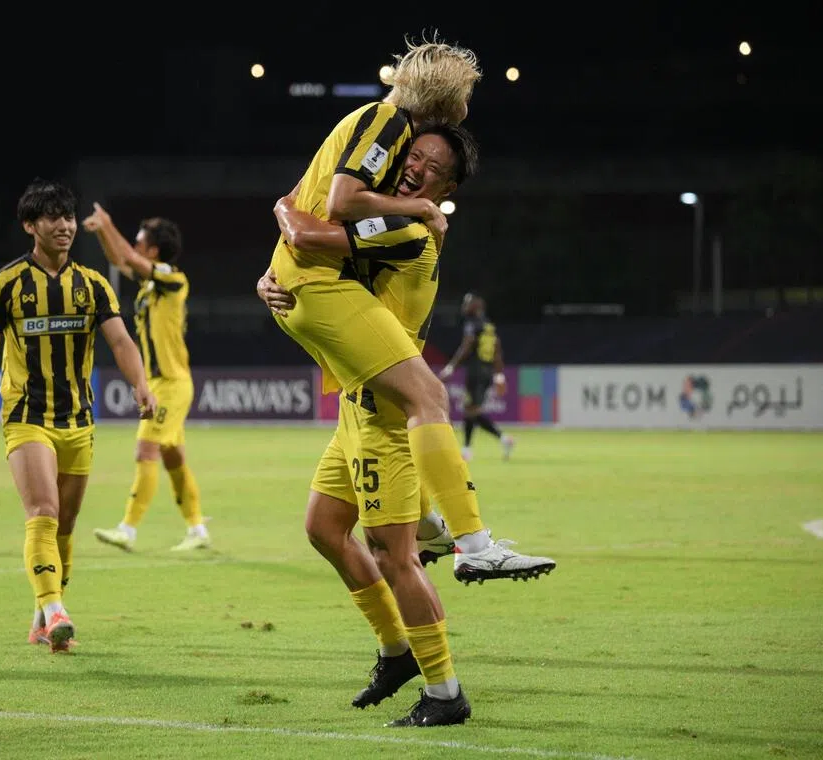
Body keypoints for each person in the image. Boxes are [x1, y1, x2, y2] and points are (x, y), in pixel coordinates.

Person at [268, 37, 548, 593]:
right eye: (465, 92)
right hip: (318, 283)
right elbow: (341, 204)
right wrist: (417, 206)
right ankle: (471, 547)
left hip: (307, 281)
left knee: (337, 518)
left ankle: (427, 542)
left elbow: (292, 202)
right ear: (444, 96)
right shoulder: (390, 123)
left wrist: (276, 263)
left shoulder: (373, 125)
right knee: (427, 399)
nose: (468, 104)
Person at [0, 178, 156, 654]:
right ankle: (55, 610)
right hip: (27, 418)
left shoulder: (92, 285)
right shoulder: (5, 285)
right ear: (30, 226)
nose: (64, 225)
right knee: (43, 513)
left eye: (68, 217)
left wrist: (141, 385)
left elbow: (122, 341)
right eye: (52, 218)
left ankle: (42, 616)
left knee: (64, 527)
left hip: (78, 421)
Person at [82, 205, 210, 552]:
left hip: (171, 382)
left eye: (140, 243)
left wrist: (108, 222)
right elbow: (120, 258)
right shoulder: (152, 283)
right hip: (161, 383)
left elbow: (127, 258)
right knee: (173, 459)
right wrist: (101, 232)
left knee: (146, 448)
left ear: (154, 251)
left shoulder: (173, 280)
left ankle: (129, 528)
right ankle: (197, 529)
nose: (135, 248)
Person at [438, 293, 514, 461]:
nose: (464, 307)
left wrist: (451, 367)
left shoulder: (472, 324)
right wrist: (499, 375)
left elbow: (466, 347)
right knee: (470, 410)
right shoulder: (488, 326)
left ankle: (472, 448)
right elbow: (497, 351)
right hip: (487, 373)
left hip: (476, 372)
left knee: (471, 411)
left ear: (477, 306)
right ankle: (493, 442)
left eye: (467, 304)